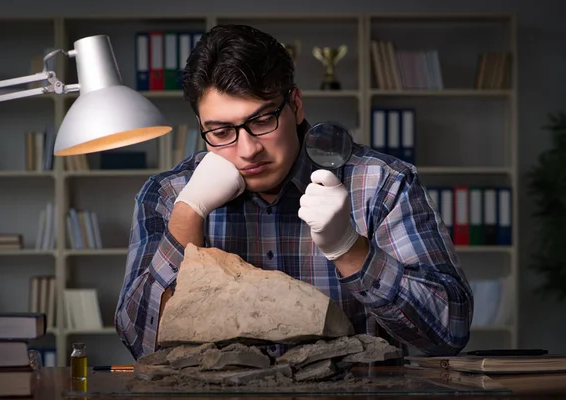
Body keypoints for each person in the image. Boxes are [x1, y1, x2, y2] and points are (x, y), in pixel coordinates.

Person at [115, 24, 473, 361]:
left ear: (296, 105)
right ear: (201, 127)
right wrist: (188, 214)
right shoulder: (167, 194)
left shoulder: (380, 183)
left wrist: (350, 249)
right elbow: (142, 345)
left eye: (261, 121)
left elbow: (449, 332)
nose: (247, 149)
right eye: (221, 131)